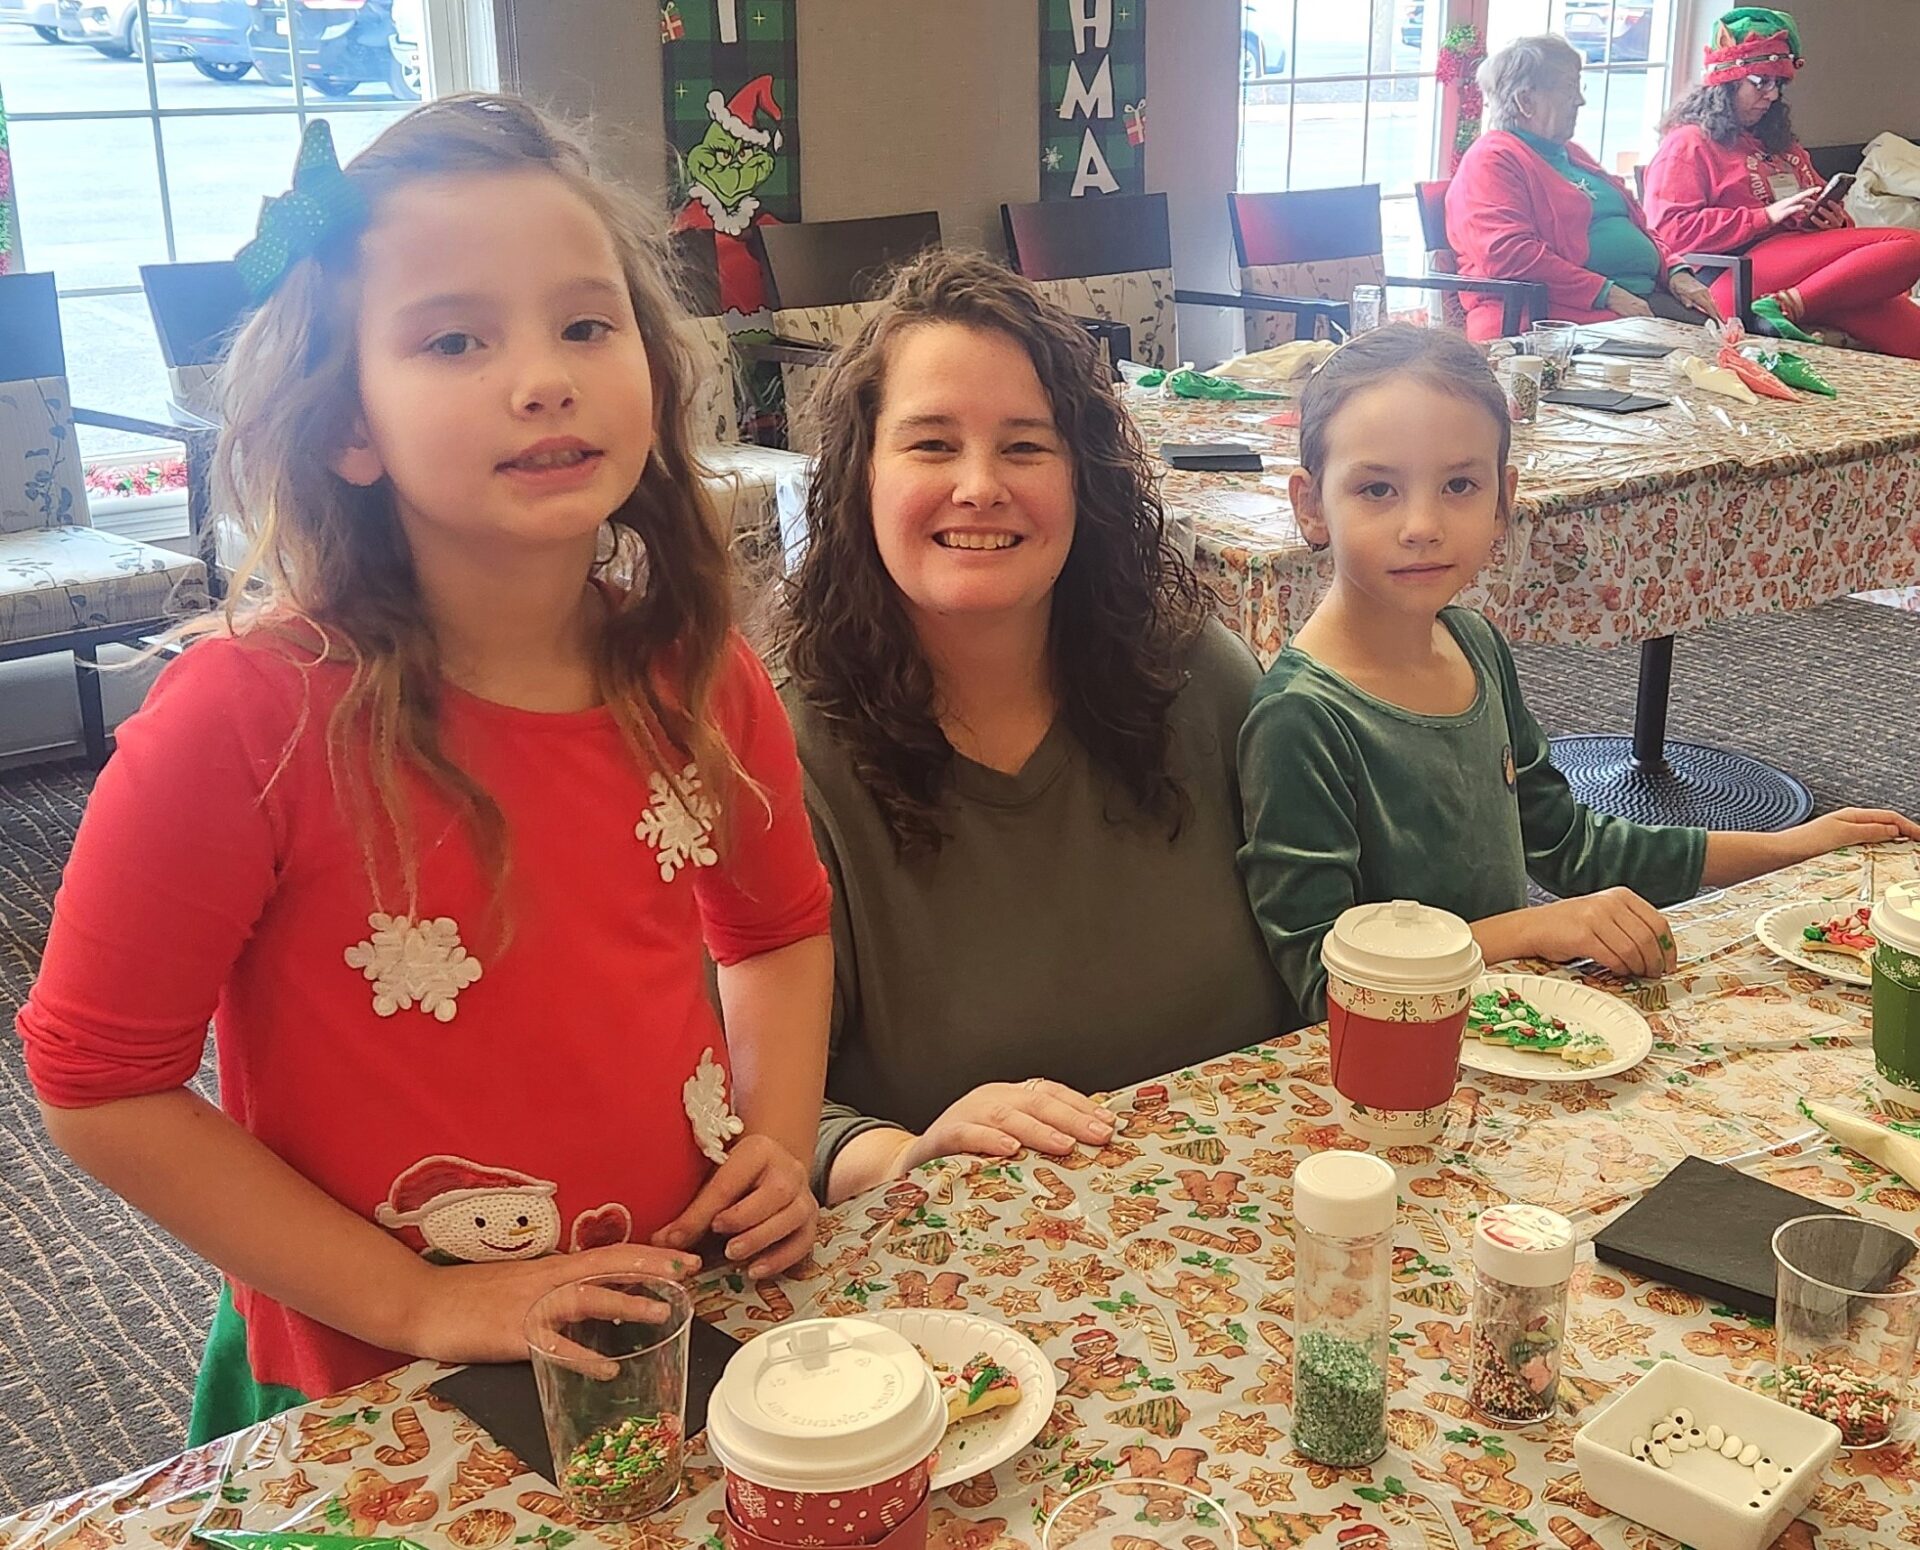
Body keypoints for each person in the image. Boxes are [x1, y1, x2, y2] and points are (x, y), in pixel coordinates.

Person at [14, 97, 833, 1440]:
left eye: (586, 324)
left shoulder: (697, 674)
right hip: (372, 1384)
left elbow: (780, 929)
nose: (543, 376)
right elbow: (100, 1084)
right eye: (456, 338)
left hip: (657, 1319)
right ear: (350, 421)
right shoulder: (241, 722)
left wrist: (773, 1140)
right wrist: (415, 1299)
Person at [779, 250, 1296, 1207]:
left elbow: (1336, 936)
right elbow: (752, 1110)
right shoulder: (785, 758)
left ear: (1083, 481)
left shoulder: (1201, 678)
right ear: (860, 480)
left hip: (1256, 1225)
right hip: (966, 1287)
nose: (980, 485)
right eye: (931, 445)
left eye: (1025, 446)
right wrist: (905, 1155)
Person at [1237, 324, 1918, 1023]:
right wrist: (1532, 928)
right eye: (1377, 489)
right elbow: (1326, 984)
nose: (1421, 524)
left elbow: (1568, 844)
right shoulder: (1303, 717)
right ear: (1311, 506)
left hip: (1498, 1027)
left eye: (1459, 485)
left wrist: (1786, 848)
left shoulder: (1473, 645)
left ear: (1503, 499)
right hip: (1381, 1073)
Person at [1643, 6, 1920, 356]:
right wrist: (1766, 216)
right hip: (1733, 275)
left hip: (1802, 271)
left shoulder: (1781, 143)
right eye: (1761, 82)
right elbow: (1668, 233)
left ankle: (1790, 304)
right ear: (1726, 82)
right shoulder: (1688, 143)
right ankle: (1784, 308)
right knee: (1910, 244)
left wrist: (1833, 222)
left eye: (1779, 84)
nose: (1772, 95)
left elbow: (1829, 213)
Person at [1446, 34, 1721, 341]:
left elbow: (1639, 228)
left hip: (1639, 305)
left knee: (1739, 352)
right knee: (1714, 366)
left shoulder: (1570, 152)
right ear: (1526, 101)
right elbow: (1507, 255)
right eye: (1568, 87)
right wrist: (1606, 294)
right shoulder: (1492, 159)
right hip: (1561, 318)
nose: (1580, 99)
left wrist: (1675, 271)